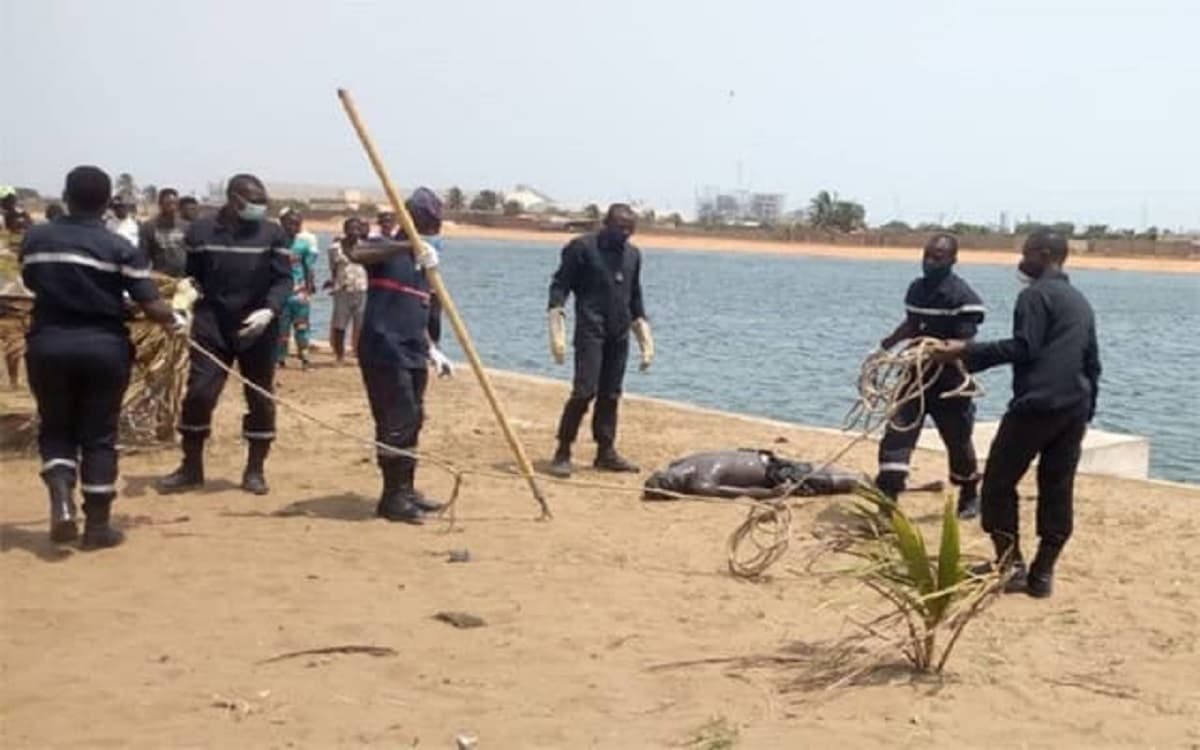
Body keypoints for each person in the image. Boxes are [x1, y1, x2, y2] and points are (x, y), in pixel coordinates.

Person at [933, 229, 1101, 599]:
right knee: (1057, 487)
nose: (1021, 261)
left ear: (1043, 255)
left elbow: (1024, 347)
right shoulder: (1079, 300)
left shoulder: (1034, 296)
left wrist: (965, 351)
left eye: (1026, 254)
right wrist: (1087, 412)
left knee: (996, 484)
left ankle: (1011, 564)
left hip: (1036, 406)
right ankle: (1042, 574)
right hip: (1074, 407)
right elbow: (1092, 361)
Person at [20, 166, 180, 547]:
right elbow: (150, 303)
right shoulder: (119, 248)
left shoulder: (36, 239)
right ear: (108, 203)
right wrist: (176, 319)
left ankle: (61, 501)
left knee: (56, 427)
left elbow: (32, 283)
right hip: (103, 349)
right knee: (99, 435)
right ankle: (96, 528)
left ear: (65, 195)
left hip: (49, 345)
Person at [157, 174, 292, 496]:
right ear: (233, 200)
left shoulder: (273, 233)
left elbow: (283, 279)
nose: (260, 207)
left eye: (263, 201)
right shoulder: (201, 231)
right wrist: (182, 304)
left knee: (260, 397)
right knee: (200, 393)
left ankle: (255, 469)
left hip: (257, 326)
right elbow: (192, 277)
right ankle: (191, 468)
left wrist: (270, 310)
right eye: (253, 201)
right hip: (212, 323)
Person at [346, 188, 453, 523]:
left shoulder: (424, 263)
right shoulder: (386, 249)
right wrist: (409, 244)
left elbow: (419, 310)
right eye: (432, 220)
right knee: (397, 420)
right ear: (415, 218)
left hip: (412, 349)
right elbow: (357, 252)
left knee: (413, 419)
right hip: (384, 348)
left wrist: (433, 349)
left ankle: (405, 489)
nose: (438, 226)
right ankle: (392, 497)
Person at [875, 233, 986, 519]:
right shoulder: (916, 289)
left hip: (949, 381)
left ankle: (969, 492)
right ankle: (888, 497)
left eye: (937, 257)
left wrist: (938, 350)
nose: (930, 262)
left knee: (958, 440)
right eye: (927, 255)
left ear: (952, 260)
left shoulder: (964, 298)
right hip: (915, 378)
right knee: (898, 432)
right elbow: (912, 324)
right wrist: (889, 343)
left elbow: (964, 343)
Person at [546, 203, 653, 478]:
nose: (625, 234)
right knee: (584, 391)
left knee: (611, 393)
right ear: (606, 223)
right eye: (620, 227)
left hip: (619, 331)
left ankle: (605, 451)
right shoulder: (581, 248)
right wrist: (556, 313)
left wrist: (643, 331)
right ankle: (563, 450)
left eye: (630, 229)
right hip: (590, 328)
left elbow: (634, 293)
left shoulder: (633, 255)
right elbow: (560, 284)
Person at [643, 450, 863, 500]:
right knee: (827, 479)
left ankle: (859, 479)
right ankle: (859, 481)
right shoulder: (696, 479)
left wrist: (768, 493)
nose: (670, 478)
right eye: (667, 483)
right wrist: (770, 493)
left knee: (818, 472)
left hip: (770, 464)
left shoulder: (685, 469)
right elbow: (740, 492)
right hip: (769, 470)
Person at [276, 208, 319, 369]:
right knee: (281, 328)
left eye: (297, 224)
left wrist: (308, 289)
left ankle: (305, 357)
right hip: (280, 292)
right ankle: (280, 358)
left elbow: (308, 268)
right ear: (282, 223)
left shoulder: (303, 244)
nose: (293, 227)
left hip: (299, 293)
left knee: (302, 327)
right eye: (290, 223)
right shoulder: (276, 243)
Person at [325, 217, 368, 364]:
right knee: (340, 325)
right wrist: (333, 283)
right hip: (342, 290)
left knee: (361, 324)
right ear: (345, 230)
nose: (354, 232)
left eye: (357, 229)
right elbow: (333, 268)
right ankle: (340, 355)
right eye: (351, 229)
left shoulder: (366, 247)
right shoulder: (334, 248)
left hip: (362, 289)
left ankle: (359, 353)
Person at [138, 187, 189, 277]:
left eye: (175, 203)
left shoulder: (186, 226)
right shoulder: (149, 227)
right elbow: (143, 257)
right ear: (160, 205)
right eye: (168, 204)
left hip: (183, 279)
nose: (172, 207)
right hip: (161, 279)